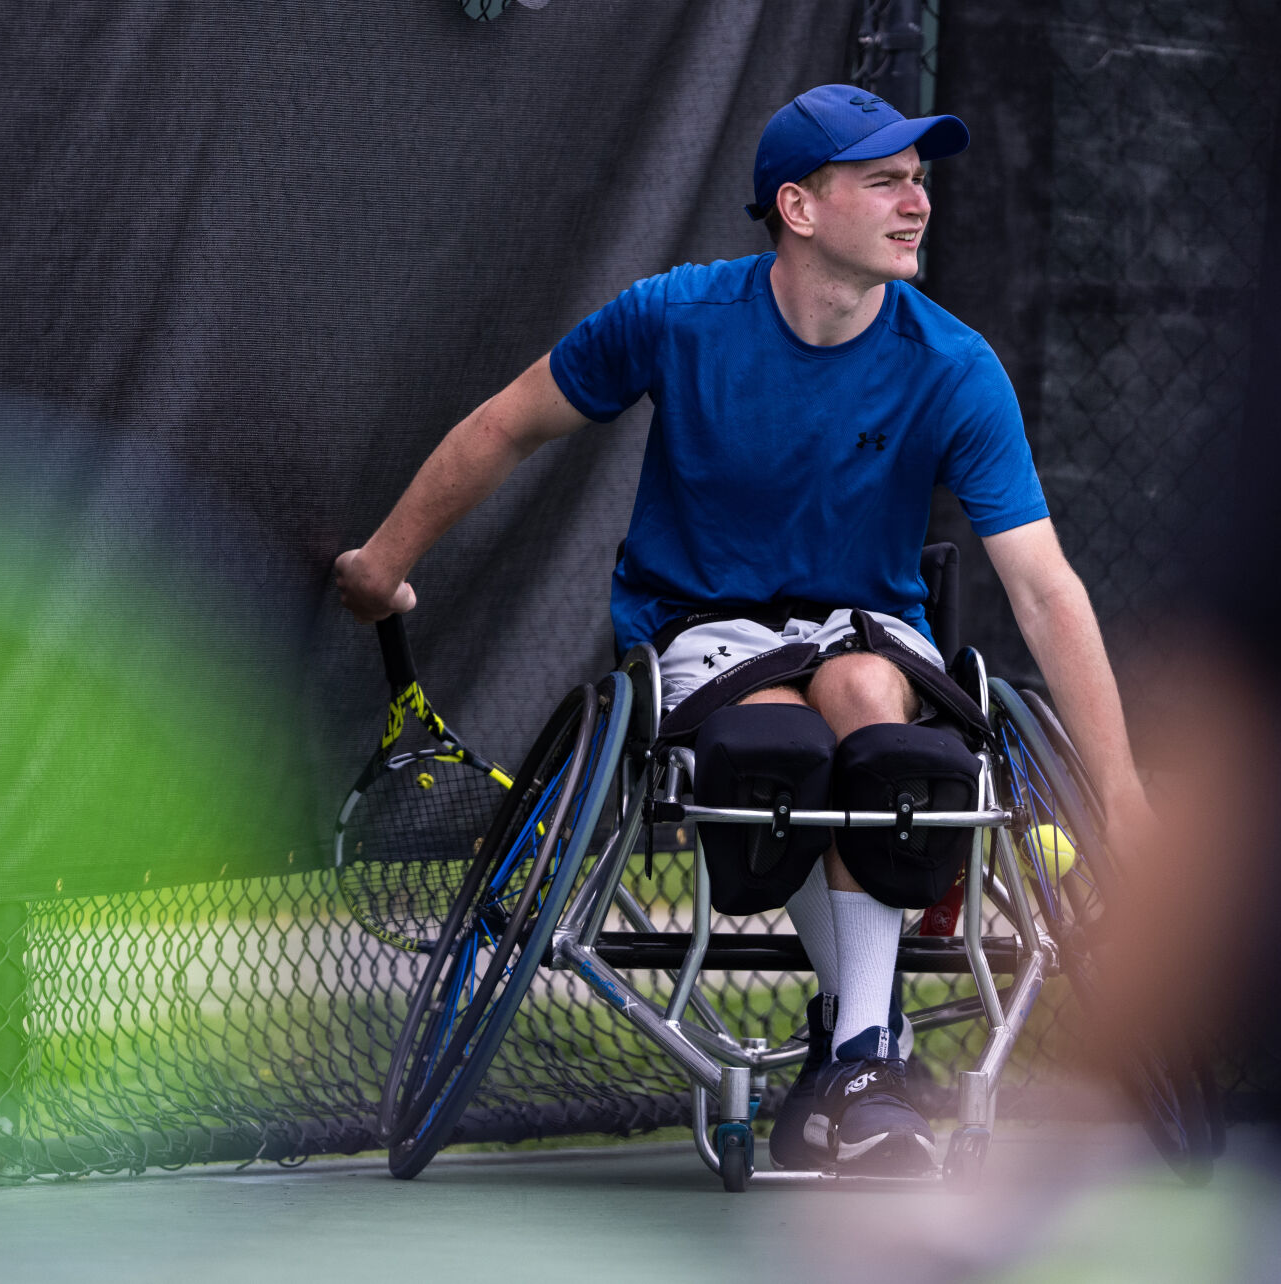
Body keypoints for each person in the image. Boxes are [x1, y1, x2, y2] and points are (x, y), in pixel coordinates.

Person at [335, 84, 1154, 1175]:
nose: (917, 202)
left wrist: (1122, 799)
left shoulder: (953, 366)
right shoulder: (674, 316)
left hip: (866, 629)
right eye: (885, 181)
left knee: (871, 711)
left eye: (919, 180)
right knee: (775, 747)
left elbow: (1046, 591)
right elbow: (505, 427)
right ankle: (860, 1058)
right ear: (798, 209)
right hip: (702, 628)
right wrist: (382, 565)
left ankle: (857, 1057)